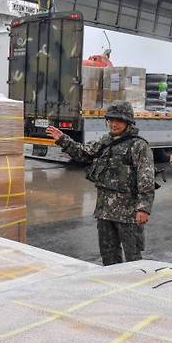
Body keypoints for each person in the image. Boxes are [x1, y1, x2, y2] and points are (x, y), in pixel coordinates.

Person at [46, 101, 155, 265]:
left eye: (118, 120)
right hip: (104, 212)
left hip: (128, 214)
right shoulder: (105, 141)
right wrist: (63, 139)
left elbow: (146, 178)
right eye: (111, 120)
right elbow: (83, 153)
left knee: (133, 260)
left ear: (128, 122)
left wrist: (143, 208)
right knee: (108, 255)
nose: (113, 124)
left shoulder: (138, 145)